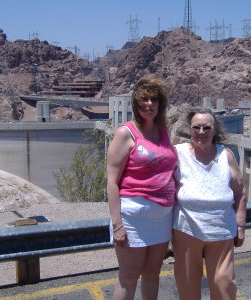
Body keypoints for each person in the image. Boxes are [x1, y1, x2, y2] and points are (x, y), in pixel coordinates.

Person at [106, 76, 177, 300]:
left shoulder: (163, 131)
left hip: (163, 217)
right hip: (133, 218)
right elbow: (111, 181)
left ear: (160, 103)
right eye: (143, 99)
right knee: (128, 276)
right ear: (136, 103)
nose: (149, 104)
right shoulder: (126, 133)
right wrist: (118, 225)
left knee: (152, 274)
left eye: (153, 99)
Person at [172, 108, 247, 300]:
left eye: (207, 127)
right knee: (187, 286)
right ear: (190, 129)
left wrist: (240, 225)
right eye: (196, 127)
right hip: (187, 230)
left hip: (221, 231)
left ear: (214, 130)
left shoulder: (226, 155)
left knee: (224, 283)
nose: (201, 132)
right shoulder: (178, 153)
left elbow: (240, 192)